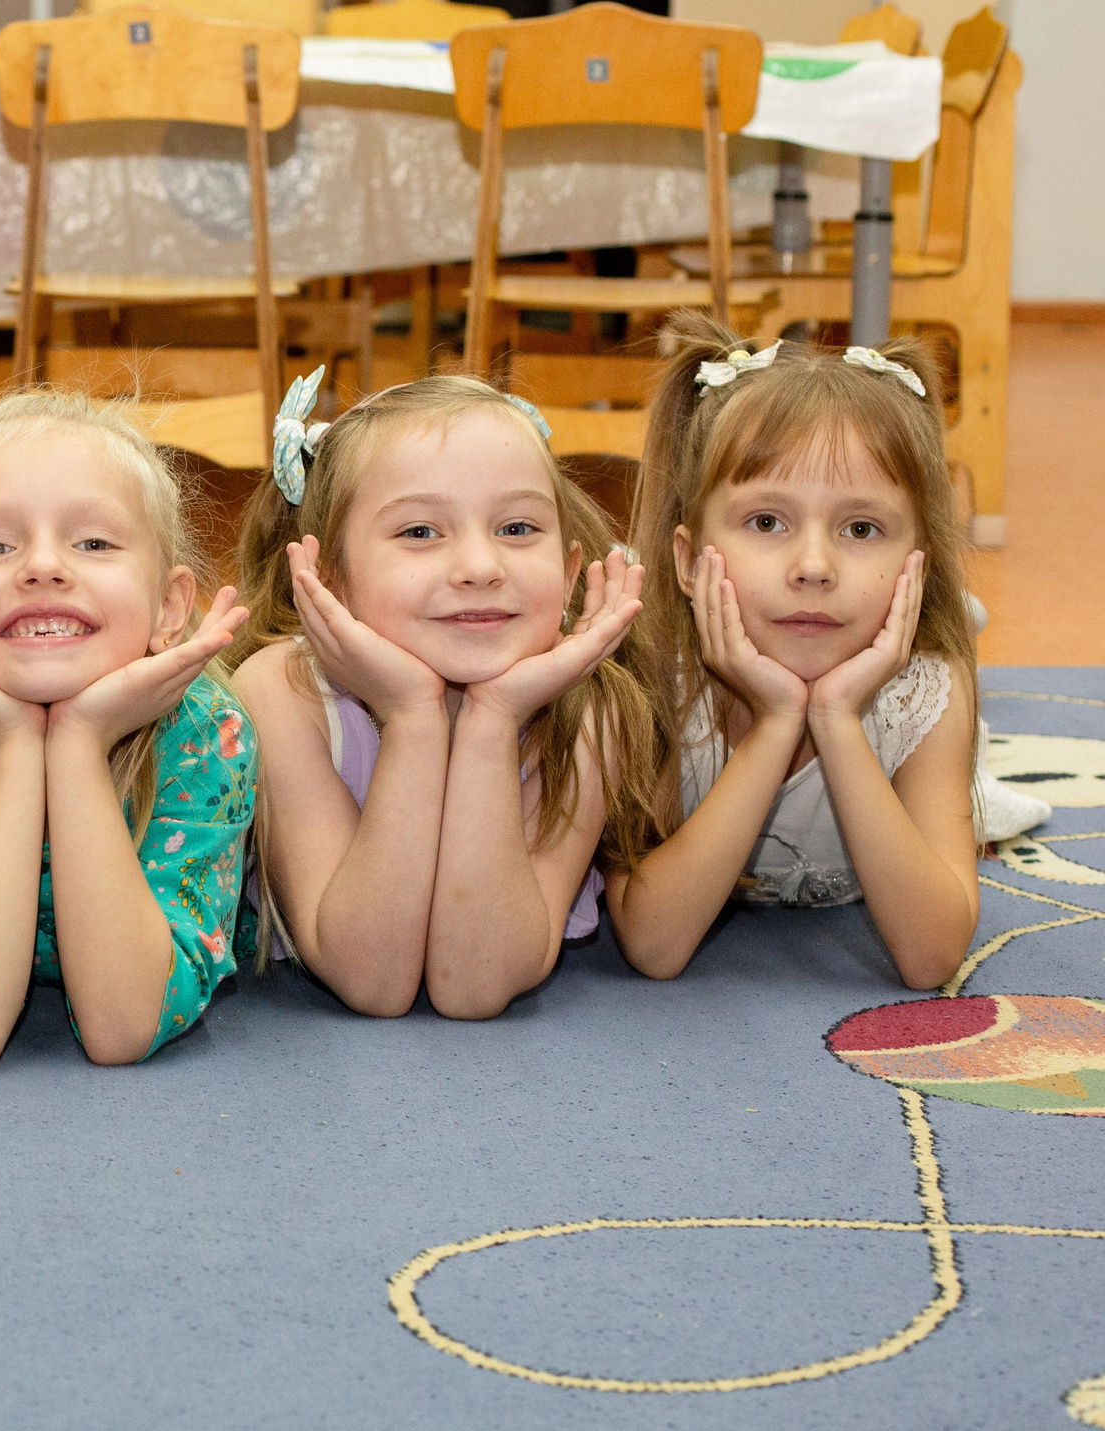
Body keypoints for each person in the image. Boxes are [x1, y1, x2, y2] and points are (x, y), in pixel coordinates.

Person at [0, 390, 255, 1071]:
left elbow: (124, 1025)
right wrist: (12, 749)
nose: (41, 566)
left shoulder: (205, 734)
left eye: (93, 541)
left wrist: (78, 743)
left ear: (168, 607)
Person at [229, 369, 654, 1020]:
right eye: (420, 532)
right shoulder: (282, 694)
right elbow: (371, 979)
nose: (481, 567)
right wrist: (411, 717)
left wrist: (494, 719)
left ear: (571, 575)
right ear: (329, 579)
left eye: (517, 528)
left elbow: (476, 985)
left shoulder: (589, 712)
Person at [607, 317, 988, 988]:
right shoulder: (653, 678)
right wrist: (777, 723)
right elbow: (653, 942)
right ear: (691, 561)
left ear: (918, 567)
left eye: (861, 527)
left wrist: (837, 718)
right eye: (767, 521)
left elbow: (932, 957)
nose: (814, 565)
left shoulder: (923, 692)